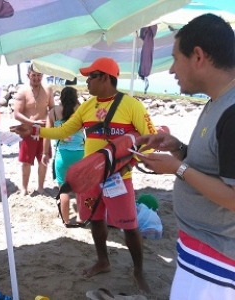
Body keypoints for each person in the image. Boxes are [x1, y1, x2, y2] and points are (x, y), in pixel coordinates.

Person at [11, 57, 156, 291]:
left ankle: (138, 270)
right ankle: (103, 260)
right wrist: (35, 129)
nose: (86, 81)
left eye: (91, 76)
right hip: (89, 177)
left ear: (106, 78)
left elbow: (150, 139)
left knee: (129, 226)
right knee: (96, 220)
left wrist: (131, 163)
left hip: (119, 179)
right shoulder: (87, 107)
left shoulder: (132, 105)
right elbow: (64, 130)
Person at [136, 14, 235, 300]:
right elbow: (217, 167)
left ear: (198, 57)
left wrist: (177, 168)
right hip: (200, 248)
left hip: (216, 260)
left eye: (175, 58)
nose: (170, 71)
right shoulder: (218, 101)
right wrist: (178, 149)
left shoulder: (232, 111)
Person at [41, 86, 84, 225]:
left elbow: (46, 135)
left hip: (62, 155)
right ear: (75, 97)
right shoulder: (81, 110)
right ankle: (81, 218)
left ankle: (66, 221)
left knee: (64, 189)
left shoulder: (53, 112)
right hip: (80, 154)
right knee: (80, 189)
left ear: (61, 97)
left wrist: (44, 153)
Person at [13, 64, 54, 195]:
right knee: (26, 162)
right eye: (34, 75)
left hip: (44, 131)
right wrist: (32, 122)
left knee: (44, 159)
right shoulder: (22, 91)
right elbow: (17, 113)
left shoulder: (48, 89)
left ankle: (41, 187)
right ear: (28, 75)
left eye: (39, 75)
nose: (36, 78)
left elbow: (52, 109)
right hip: (28, 131)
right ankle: (24, 188)